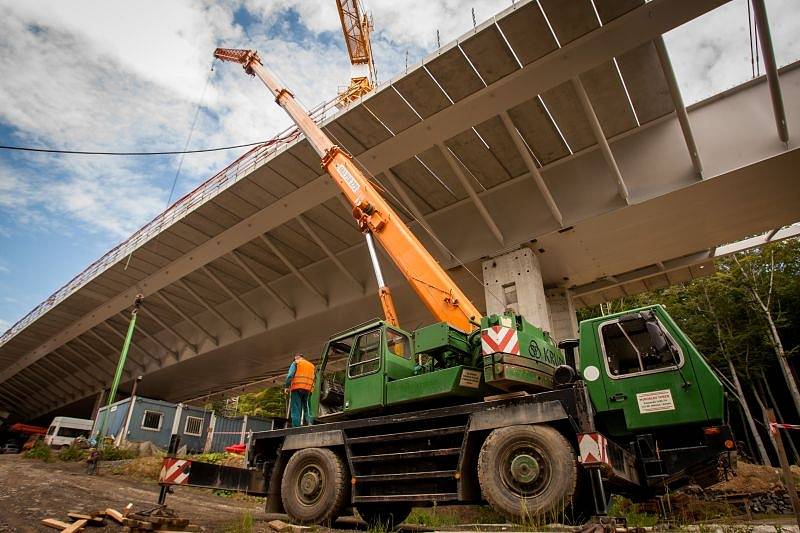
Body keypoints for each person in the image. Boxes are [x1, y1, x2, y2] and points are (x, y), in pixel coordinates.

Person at [284, 353, 315, 427]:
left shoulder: (296, 363)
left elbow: (290, 375)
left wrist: (286, 386)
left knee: (296, 408)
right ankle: (310, 423)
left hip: (297, 388)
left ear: (296, 358)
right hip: (308, 389)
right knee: (307, 407)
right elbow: (314, 378)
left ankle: (296, 427)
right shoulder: (312, 366)